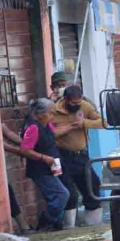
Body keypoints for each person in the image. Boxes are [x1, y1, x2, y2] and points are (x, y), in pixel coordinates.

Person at [20, 98, 76, 231]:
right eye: (50, 113)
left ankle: (56, 224)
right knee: (62, 194)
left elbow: (53, 134)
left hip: (53, 166)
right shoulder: (33, 127)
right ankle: (46, 223)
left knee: (59, 195)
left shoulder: (46, 123)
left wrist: (72, 126)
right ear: (39, 114)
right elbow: (25, 150)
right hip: (40, 169)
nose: (52, 116)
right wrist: (44, 157)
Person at [53, 86, 106, 228]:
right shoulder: (53, 111)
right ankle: (69, 227)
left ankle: (93, 224)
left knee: (93, 185)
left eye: (79, 103)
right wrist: (69, 127)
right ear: (65, 100)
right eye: (74, 103)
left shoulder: (84, 106)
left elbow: (103, 122)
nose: (77, 106)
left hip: (82, 156)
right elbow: (49, 133)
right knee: (69, 192)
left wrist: (84, 123)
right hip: (62, 156)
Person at [1, 123, 35, 235]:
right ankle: (23, 226)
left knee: (8, 193)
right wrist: (20, 151)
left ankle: (24, 226)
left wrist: (26, 144)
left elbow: (9, 134)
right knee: (7, 193)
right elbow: (0, 143)